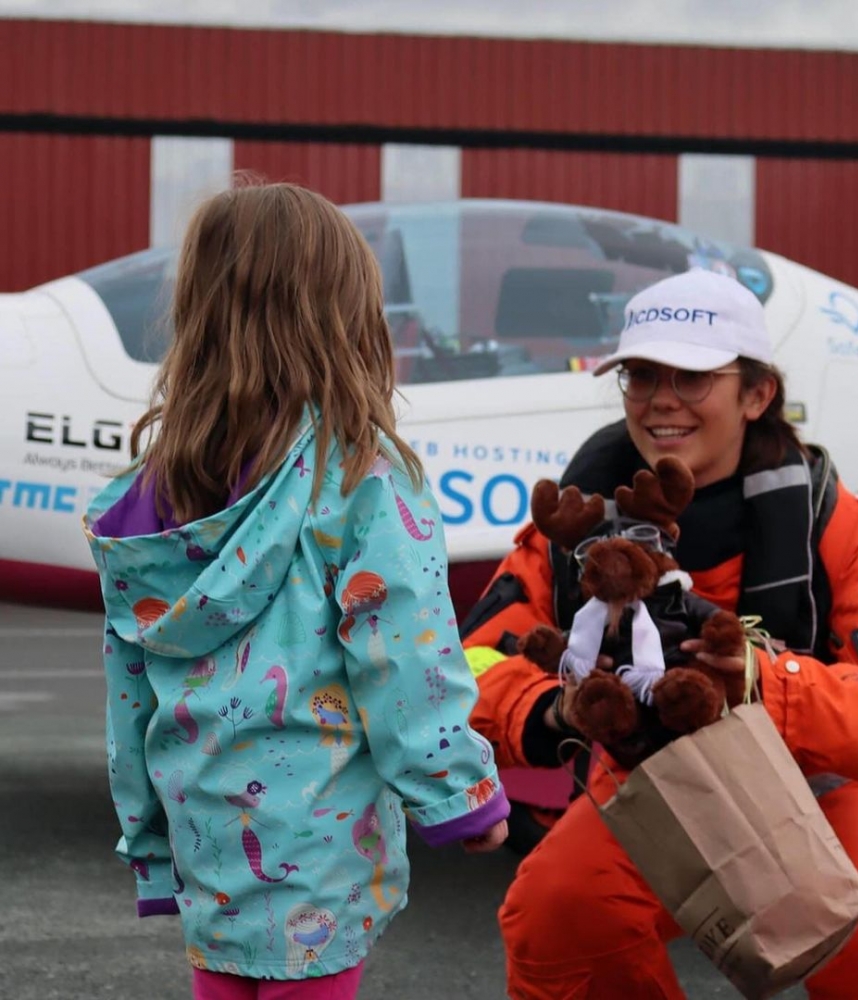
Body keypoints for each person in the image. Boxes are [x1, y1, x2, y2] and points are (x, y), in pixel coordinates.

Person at [461, 267, 858, 1000]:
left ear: (756, 395)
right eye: (641, 376)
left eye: (693, 377)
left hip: (819, 787)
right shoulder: (576, 530)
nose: (662, 399)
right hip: (650, 789)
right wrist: (553, 710)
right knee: (556, 914)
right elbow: (468, 663)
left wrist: (764, 684)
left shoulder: (837, 525)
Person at [82, 181, 509, 1000]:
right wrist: (461, 793)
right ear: (346, 317)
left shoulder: (153, 494)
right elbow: (405, 657)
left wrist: (147, 836)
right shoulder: (363, 479)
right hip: (320, 851)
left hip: (205, 840)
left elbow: (128, 685)